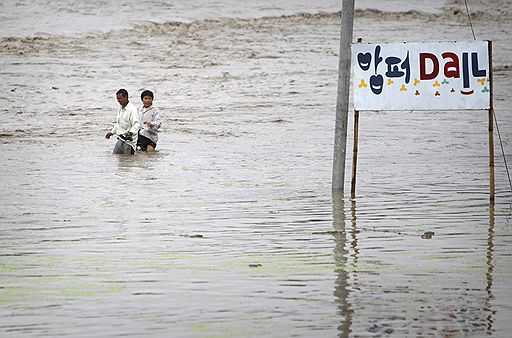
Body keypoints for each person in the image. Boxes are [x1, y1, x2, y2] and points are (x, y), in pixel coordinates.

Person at [105, 89, 140, 155]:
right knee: (115, 156)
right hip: (120, 139)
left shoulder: (132, 109)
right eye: (117, 99)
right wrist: (112, 132)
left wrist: (130, 133)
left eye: (120, 98)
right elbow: (119, 124)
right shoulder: (120, 109)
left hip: (129, 142)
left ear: (126, 97)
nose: (118, 101)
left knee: (128, 162)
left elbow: (137, 124)